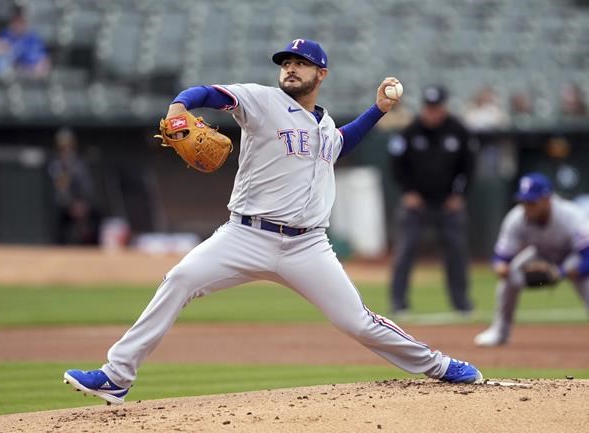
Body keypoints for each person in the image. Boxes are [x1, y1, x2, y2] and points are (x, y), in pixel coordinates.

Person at [63, 39, 483, 405]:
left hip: (307, 247)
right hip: (244, 234)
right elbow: (207, 93)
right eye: (285, 63)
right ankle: (117, 376)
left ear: (321, 73)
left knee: (357, 321)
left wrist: (378, 110)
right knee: (179, 279)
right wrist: (178, 106)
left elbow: (341, 143)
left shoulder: (324, 123)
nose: (290, 68)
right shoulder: (260, 100)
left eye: (299, 63)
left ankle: (441, 365)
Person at [388, 85, 477, 315]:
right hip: (416, 202)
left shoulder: (459, 132)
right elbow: (397, 166)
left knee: (456, 251)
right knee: (406, 249)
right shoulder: (410, 132)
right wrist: (408, 192)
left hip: (448, 203)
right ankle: (399, 303)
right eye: (428, 107)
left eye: (436, 108)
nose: (432, 112)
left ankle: (461, 303)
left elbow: (469, 167)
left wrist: (459, 195)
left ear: (444, 107)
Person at [474, 173, 589, 346]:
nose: (527, 207)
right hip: (540, 254)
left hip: (572, 255)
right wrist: (501, 268)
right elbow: (501, 256)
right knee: (508, 279)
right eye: (523, 202)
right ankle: (500, 332)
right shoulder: (516, 218)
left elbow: (587, 257)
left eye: (532, 202)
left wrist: (561, 273)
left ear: (547, 199)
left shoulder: (572, 216)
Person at [47, 128, 99, 245]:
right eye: (63, 147)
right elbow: (61, 190)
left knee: (95, 215)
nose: (66, 150)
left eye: (68, 146)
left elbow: (87, 187)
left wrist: (82, 204)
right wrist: (71, 204)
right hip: (64, 206)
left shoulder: (80, 164)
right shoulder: (56, 165)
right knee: (59, 218)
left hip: (81, 204)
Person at [0, 9, 50, 77]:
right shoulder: (4, 36)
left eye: (22, 22)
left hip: (36, 75)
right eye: (17, 21)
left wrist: (42, 69)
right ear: (12, 22)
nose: (19, 25)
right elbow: (7, 61)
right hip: (16, 75)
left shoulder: (34, 38)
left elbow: (45, 59)